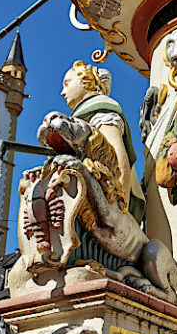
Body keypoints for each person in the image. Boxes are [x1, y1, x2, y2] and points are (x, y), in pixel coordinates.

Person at [61, 61, 146, 222]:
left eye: (67, 83)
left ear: (86, 80)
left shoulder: (101, 109)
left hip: (106, 200)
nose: (62, 92)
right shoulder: (85, 114)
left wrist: (119, 206)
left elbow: (117, 156)